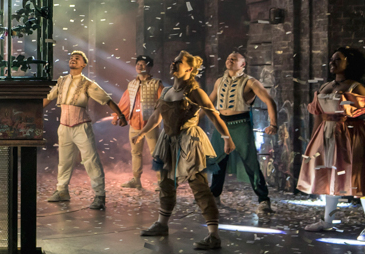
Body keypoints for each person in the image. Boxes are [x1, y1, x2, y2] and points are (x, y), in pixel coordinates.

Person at [134, 51, 234, 251]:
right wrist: (142, 133)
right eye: (174, 61)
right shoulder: (166, 91)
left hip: (189, 141)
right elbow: (156, 117)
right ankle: (162, 224)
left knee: (199, 185)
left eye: (178, 62)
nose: (173, 64)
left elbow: (214, 116)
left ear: (189, 69)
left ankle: (213, 235)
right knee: (165, 183)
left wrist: (227, 138)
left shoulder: (195, 92)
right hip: (168, 141)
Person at [43, 50, 128, 210]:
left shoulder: (88, 83)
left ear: (83, 64)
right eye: (71, 58)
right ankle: (62, 191)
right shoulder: (61, 81)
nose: (73, 60)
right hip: (64, 126)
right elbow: (48, 98)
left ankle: (100, 195)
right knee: (64, 161)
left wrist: (121, 115)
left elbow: (106, 99)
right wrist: (31, 111)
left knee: (91, 160)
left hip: (81, 126)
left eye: (77, 58)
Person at [298, 46, 365, 239]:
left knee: (359, 179)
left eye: (338, 59)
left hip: (350, 135)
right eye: (331, 59)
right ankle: (327, 221)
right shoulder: (325, 86)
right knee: (329, 176)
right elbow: (319, 116)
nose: (332, 63)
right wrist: (313, 142)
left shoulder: (356, 87)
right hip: (326, 134)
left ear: (349, 63)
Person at [208, 51, 278, 214]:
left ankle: (263, 200)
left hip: (241, 125)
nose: (230, 60)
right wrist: (192, 119)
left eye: (234, 59)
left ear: (243, 64)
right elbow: (208, 104)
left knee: (250, 163)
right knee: (217, 161)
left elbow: (269, 101)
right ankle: (214, 196)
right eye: (228, 58)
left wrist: (273, 124)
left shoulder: (250, 82)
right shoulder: (219, 81)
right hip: (221, 125)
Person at [115, 55, 163, 190]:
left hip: (150, 123)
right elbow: (125, 102)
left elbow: (163, 105)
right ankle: (136, 179)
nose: (139, 66)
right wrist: (118, 116)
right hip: (135, 122)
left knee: (156, 152)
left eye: (143, 64)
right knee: (135, 152)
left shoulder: (156, 84)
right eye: (138, 64)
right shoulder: (132, 84)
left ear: (149, 67)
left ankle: (161, 181)